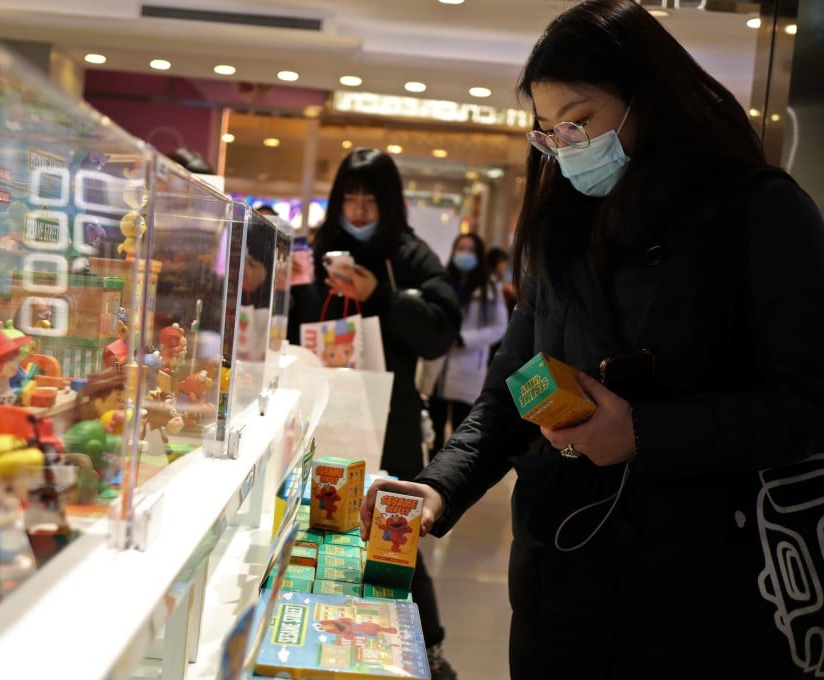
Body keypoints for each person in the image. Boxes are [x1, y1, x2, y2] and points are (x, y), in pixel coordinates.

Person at [360, 1, 824, 679]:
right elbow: (514, 388)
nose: (566, 144)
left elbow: (806, 404)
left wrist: (645, 432)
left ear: (649, 99)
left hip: (701, 593)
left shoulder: (758, 211)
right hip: (560, 580)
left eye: (581, 120)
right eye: (549, 132)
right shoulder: (561, 229)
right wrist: (437, 488)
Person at [287, 147, 462, 678]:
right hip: (319, 414)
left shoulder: (409, 254)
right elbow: (289, 327)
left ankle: (426, 648)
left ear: (390, 203)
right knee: (319, 525)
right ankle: (325, 631)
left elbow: (439, 332)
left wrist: (382, 296)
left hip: (392, 422)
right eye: (350, 197)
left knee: (394, 534)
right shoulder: (315, 251)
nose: (359, 210)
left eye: (371, 199)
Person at [427, 233, 508, 459]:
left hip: (468, 365)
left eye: (470, 250)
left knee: (461, 431)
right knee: (433, 427)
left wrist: (464, 339)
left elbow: (499, 327)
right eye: (460, 248)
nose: (464, 254)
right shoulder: (441, 282)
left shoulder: (489, 287)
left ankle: (451, 477)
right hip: (438, 365)